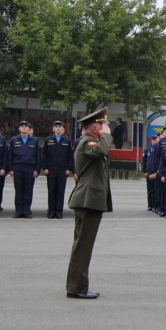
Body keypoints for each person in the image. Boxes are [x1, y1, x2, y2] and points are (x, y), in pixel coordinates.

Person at [65, 107, 113, 299]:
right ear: (93, 128)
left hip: (88, 200)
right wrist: (107, 136)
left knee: (82, 246)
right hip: (87, 201)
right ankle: (76, 288)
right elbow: (101, 149)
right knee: (83, 247)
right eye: (101, 125)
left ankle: (77, 286)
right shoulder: (88, 142)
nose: (103, 128)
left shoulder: (89, 141)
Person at [42, 120, 74, 219]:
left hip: (62, 170)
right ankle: (51, 211)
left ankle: (59, 211)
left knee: (60, 191)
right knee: (51, 191)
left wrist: (69, 168)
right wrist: (45, 168)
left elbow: (70, 156)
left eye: (60, 127)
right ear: (53, 129)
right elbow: (44, 155)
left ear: (63, 129)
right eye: (56, 126)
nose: (58, 128)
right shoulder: (48, 139)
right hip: (51, 170)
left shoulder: (67, 141)